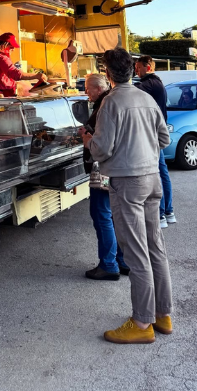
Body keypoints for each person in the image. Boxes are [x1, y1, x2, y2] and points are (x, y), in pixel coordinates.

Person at [80, 48, 173, 344]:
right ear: (132, 69)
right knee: (155, 247)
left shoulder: (111, 102)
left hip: (127, 182)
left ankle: (142, 322)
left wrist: (88, 140)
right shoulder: (146, 98)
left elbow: (102, 149)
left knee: (135, 253)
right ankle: (163, 315)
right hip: (152, 180)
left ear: (107, 74)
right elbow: (164, 138)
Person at [82, 73, 129, 281]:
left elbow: (101, 143)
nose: (85, 92)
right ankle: (122, 260)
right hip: (119, 167)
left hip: (103, 169)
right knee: (113, 215)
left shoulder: (104, 106)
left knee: (102, 215)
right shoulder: (118, 101)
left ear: (99, 89)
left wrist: (85, 137)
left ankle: (109, 264)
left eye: (88, 88)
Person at [134, 56, 177, 229]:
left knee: (156, 173)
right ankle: (168, 211)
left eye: (138, 67)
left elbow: (131, 90)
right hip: (156, 132)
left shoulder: (150, 82)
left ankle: (160, 214)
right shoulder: (156, 83)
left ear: (148, 67)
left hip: (152, 134)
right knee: (162, 171)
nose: (136, 70)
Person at [0, 33, 45, 99]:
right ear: (5, 45)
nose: (13, 49)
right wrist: (37, 76)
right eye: (11, 46)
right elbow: (16, 75)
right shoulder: (2, 58)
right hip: (0, 96)